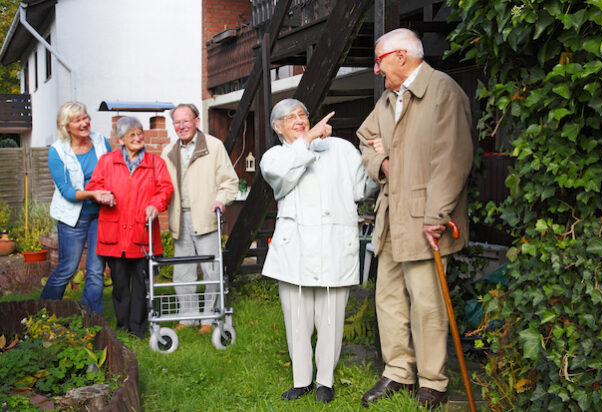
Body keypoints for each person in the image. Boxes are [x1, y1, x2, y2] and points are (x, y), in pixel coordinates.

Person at [357, 28, 473, 408]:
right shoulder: (390, 99)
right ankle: (398, 373)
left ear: (401, 57)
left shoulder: (442, 91)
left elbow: (452, 158)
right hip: (392, 215)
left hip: (425, 217)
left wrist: (437, 213)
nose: (376, 69)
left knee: (426, 302)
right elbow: (365, 138)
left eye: (379, 60)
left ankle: (433, 382)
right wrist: (383, 161)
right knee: (388, 298)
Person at [260, 98, 378, 404]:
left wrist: (377, 156)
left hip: (334, 244)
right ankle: (302, 381)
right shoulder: (274, 157)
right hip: (294, 249)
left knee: (330, 317)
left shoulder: (340, 148)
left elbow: (362, 188)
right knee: (297, 317)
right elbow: (283, 180)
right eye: (290, 117)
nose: (299, 120)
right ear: (277, 127)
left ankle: (325, 380)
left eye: (303, 115)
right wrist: (308, 140)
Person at [86, 116, 173, 338]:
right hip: (114, 234)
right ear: (121, 139)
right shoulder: (107, 161)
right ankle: (123, 326)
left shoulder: (155, 163)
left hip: (142, 232)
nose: (138, 138)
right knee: (120, 284)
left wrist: (155, 204)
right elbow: (93, 187)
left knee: (142, 284)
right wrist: (102, 196)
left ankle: (138, 328)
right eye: (132, 135)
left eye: (140, 133)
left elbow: (165, 189)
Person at [161, 104, 238, 334]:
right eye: (177, 122)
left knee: (211, 270)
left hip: (206, 215)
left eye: (186, 121)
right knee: (182, 272)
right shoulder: (167, 152)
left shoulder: (213, 146)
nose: (182, 126)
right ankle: (188, 317)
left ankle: (209, 318)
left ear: (196, 121)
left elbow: (229, 182)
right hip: (179, 217)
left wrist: (221, 200)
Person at [41, 101, 114, 314]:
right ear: (66, 126)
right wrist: (93, 194)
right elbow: (67, 191)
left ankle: (90, 319)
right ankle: (43, 313)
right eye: (77, 120)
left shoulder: (101, 141)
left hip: (100, 215)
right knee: (67, 268)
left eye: (85, 117)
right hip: (73, 216)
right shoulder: (57, 151)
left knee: (95, 270)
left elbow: (111, 172)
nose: (84, 123)